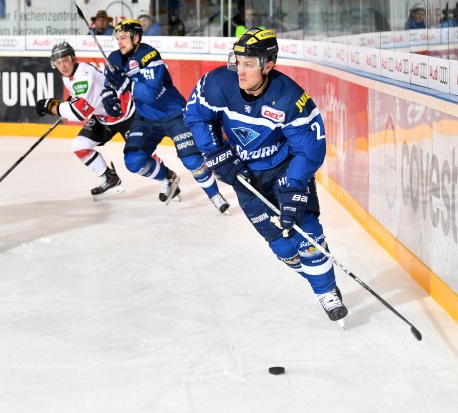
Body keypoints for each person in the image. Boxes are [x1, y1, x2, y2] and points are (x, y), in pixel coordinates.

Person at [183, 28, 348, 322]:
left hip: (284, 169)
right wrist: (216, 152)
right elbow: (197, 116)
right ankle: (317, 279)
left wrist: (295, 188)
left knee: (304, 228)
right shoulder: (216, 83)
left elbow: (309, 149)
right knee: (282, 245)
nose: (240, 70)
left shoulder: (291, 99)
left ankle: (325, 291)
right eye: (238, 61)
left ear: (268, 65)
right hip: (243, 174)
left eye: (249, 64)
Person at [101, 18, 230, 213]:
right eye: (117, 38)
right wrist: (108, 95)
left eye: (124, 37)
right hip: (145, 119)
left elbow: (151, 93)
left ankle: (214, 195)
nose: (119, 42)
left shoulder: (150, 55)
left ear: (136, 38)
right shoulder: (114, 58)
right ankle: (167, 177)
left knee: (192, 160)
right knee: (133, 161)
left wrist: (127, 84)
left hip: (174, 115)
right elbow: (110, 83)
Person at [35, 42, 134, 200]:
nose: (62, 66)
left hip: (125, 114)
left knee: (139, 157)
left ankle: (167, 177)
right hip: (103, 117)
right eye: (58, 62)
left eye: (65, 60)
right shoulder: (69, 75)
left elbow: (79, 113)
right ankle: (110, 178)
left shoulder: (84, 73)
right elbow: (79, 99)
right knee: (79, 145)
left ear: (73, 58)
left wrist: (53, 108)